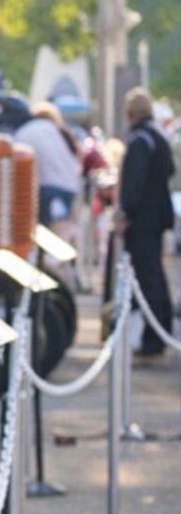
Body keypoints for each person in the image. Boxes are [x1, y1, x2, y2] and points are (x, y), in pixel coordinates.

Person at [116, 87, 175, 358]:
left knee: (148, 277)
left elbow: (134, 184)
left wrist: (125, 213)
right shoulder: (157, 136)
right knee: (155, 275)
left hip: (143, 220)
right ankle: (160, 331)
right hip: (157, 216)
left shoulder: (141, 140)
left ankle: (154, 338)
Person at [14, 101, 83, 227]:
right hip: (68, 188)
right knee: (60, 230)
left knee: (42, 230)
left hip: (43, 187)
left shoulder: (25, 131)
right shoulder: (63, 132)